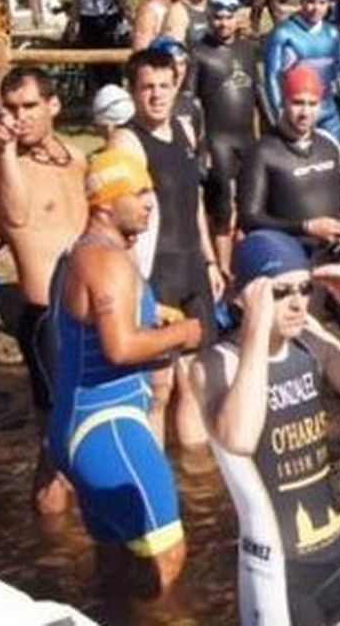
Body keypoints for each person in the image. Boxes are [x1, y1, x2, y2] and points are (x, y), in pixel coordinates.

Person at [192, 230, 340, 626]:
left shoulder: (310, 344)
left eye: (305, 288)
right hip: (279, 571)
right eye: (280, 292)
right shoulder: (216, 364)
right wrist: (257, 330)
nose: (297, 303)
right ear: (245, 295)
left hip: (338, 553)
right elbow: (239, 438)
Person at [48, 149, 203, 594]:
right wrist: (184, 334)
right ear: (104, 204)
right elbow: (119, 348)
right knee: (165, 555)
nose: (149, 202)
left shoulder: (83, 254)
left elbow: (93, 338)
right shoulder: (106, 260)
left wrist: (152, 321)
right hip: (106, 425)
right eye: (137, 193)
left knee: (116, 564)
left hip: (79, 421)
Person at [0, 66, 88, 512]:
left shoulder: (77, 157)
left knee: (90, 430)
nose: (20, 116)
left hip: (90, 311)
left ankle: (80, 531)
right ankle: (53, 540)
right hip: (47, 316)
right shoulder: (0, 165)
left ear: (53, 106)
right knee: (56, 439)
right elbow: (17, 217)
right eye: (11, 107)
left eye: (29, 106)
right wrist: (5, 152)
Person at [112, 47, 222, 448]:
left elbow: (193, 205)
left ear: (176, 86)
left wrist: (210, 260)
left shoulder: (184, 129)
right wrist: (138, 291)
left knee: (194, 380)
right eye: (147, 88)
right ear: (133, 91)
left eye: (164, 86)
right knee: (158, 386)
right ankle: (155, 476)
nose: (156, 95)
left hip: (191, 264)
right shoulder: (127, 141)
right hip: (154, 272)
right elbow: (120, 224)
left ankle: (196, 479)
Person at [238, 65, 340, 257]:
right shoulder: (262, 152)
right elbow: (249, 219)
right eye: (298, 103)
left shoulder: (328, 145)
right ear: (283, 102)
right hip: (289, 261)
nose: (305, 113)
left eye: (312, 104)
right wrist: (306, 227)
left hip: (335, 255)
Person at [192, 0, 263, 270]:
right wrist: (200, 146)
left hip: (246, 139)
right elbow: (191, 103)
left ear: (237, 18)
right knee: (221, 210)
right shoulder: (199, 52)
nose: (223, 23)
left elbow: (258, 93)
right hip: (216, 141)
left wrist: (273, 135)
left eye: (228, 17)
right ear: (209, 18)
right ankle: (223, 269)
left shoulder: (246, 49)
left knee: (250, 207)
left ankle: (246, 264)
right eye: (217, 17)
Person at [264, 0, 340, 144]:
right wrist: (279, 112)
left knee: (333, 162)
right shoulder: (283, 33)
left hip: (328, 113)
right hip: (296, 113)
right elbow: (271, 77)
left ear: (329, 5)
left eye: (322, 3)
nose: (316, 8)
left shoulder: (332, 33)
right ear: (302, 2)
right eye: (311, 2)